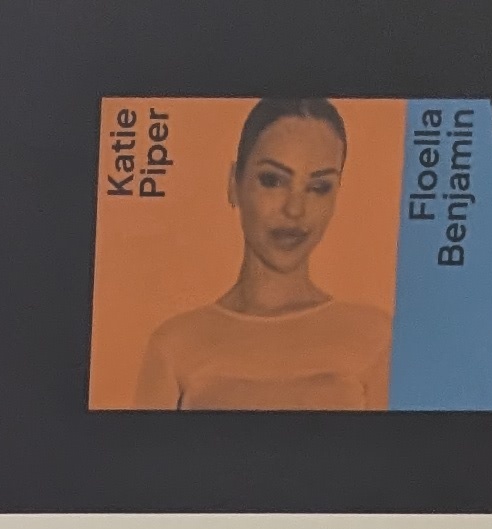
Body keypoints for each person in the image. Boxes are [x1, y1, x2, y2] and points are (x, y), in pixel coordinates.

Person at [132, 99, 390, 410]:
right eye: (272, 180)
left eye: (319, 187)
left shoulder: (376, 337)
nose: (295, 210)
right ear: (233, 184)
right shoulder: (173, 346)